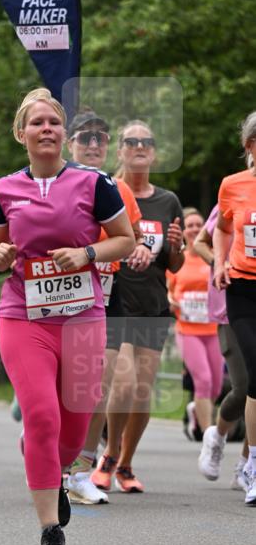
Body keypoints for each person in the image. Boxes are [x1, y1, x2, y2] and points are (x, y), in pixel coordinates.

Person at [0, 88, 134, 545]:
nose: (46, 129)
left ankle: (58, 467)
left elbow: (125, 240)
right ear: (21, 134)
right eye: (37, 123)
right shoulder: (4, 189)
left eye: (53, 122)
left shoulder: (95, 183)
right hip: (23, 316)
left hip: (82, 317)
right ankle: (51, 531)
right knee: (42, 416)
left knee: (73, 429)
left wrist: (87, 253)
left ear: (63, 133)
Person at [62, 110, 150, 505]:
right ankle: (46, 441)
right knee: (58, 386)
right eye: (85, 137)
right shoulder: (54, 184)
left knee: (99, 384)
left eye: (101, 137)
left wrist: (143, 249)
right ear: (70, 143)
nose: (94, 144)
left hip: (107, 295)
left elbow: (132, 236)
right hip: (59, 296)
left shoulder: (119, 189)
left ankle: (82, 468)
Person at [92, 120, 184, 493]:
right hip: (116, 300)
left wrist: (176, 246)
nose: (139, 147)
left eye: (147, 141)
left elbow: (174, 265)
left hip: (153, 304)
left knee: (142, 394)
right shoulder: (108, 191)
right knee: (124, 384)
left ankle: (126, 463)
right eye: (131, 141)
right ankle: (109, 454)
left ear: (155, 152)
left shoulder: (168, 201)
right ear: (120, 150)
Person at [213, 110, 256, 506]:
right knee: (254, 376)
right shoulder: (233, 185)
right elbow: (223, 229)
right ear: (250, 146)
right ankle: (254, 465)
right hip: (243, 288)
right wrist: (218, 264)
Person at [195, 205, 249, 488]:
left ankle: (245, 466)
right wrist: (220, 263)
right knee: (244, 387)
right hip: (233, 308)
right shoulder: (235, 193)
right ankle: (217, 435)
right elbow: (200, 243)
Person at [166, 208, 222, 439]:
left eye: (199, 224)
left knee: (217, 386)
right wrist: (173, 303)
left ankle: (195, 410)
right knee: (204, 380)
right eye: (190, 225)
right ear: (183, 231)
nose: (195, 229)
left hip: (214, 329)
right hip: (187, 329)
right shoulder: (179, 261)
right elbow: (168, 293)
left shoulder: (215, 256)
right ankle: (208, 435)